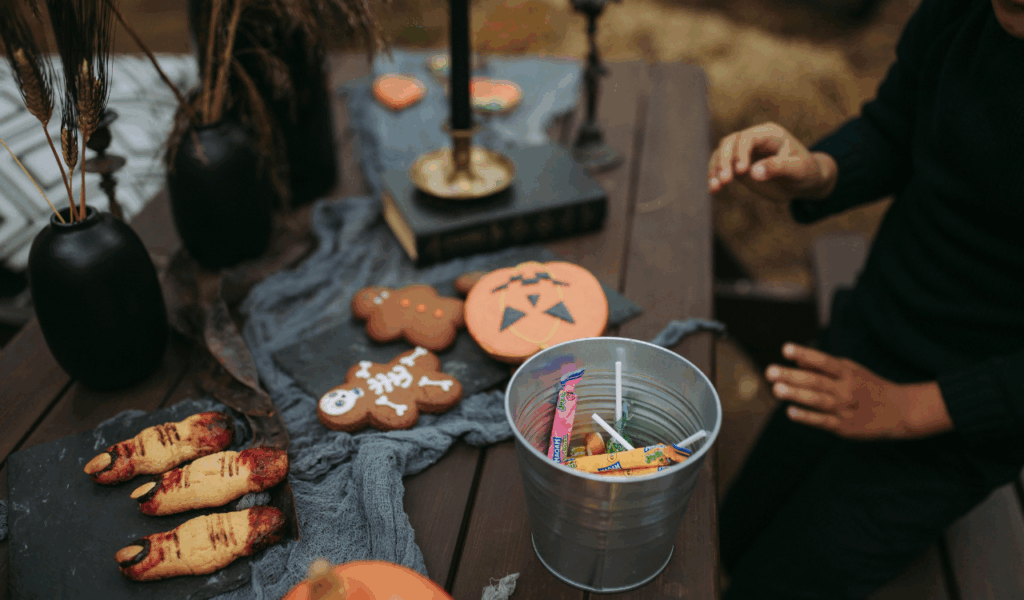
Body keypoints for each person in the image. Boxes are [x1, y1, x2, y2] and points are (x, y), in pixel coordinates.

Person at [707, 0, 1024, 596]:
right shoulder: (964, 15)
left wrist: (909, 409)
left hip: (969, 416)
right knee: (732, 534)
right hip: (871, 333)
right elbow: (895, 125)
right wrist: (819, 169)